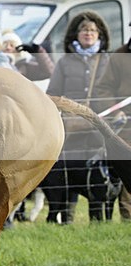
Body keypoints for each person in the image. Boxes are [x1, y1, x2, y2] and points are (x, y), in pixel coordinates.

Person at [42, 11, 113, 223]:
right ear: (76, 34)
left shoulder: (108, 60)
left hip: (100, 131)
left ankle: (98, 222)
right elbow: (53, 93)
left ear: (99, 34)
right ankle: (68, 219)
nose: (88, 33)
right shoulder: (65, 62)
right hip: (72, 131)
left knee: (98, 177)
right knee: (70, 173)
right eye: (84, 30)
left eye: (92, 30)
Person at [93, 34, 131, 222]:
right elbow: (103, 89)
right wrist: (116, 110)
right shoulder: (119, 56)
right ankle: (128, 218)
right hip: (127, 125)